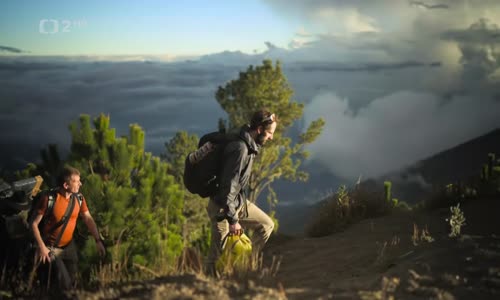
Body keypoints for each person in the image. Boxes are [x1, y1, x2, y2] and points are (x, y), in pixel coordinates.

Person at [206, 109, 277, 275]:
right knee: (215, 258)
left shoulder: (248, 142)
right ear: (259, 129)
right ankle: (207, 289)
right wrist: (232, 220)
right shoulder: (240, 149)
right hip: (222, 208)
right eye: (269, 133)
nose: (271, 137)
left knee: (266, 225)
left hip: (237, 203)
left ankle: (244, 269)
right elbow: (227, 188)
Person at [31, 166, 106, 289]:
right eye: (76, 181)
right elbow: (33, 224)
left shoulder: (79, 198)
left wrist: (98, 240)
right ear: (66, 185)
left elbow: (88, 219)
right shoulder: (49, 199)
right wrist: (42, 247)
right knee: (64, 284)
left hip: (70, 247)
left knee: (72, 284)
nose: (80, 184)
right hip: (51, 248)